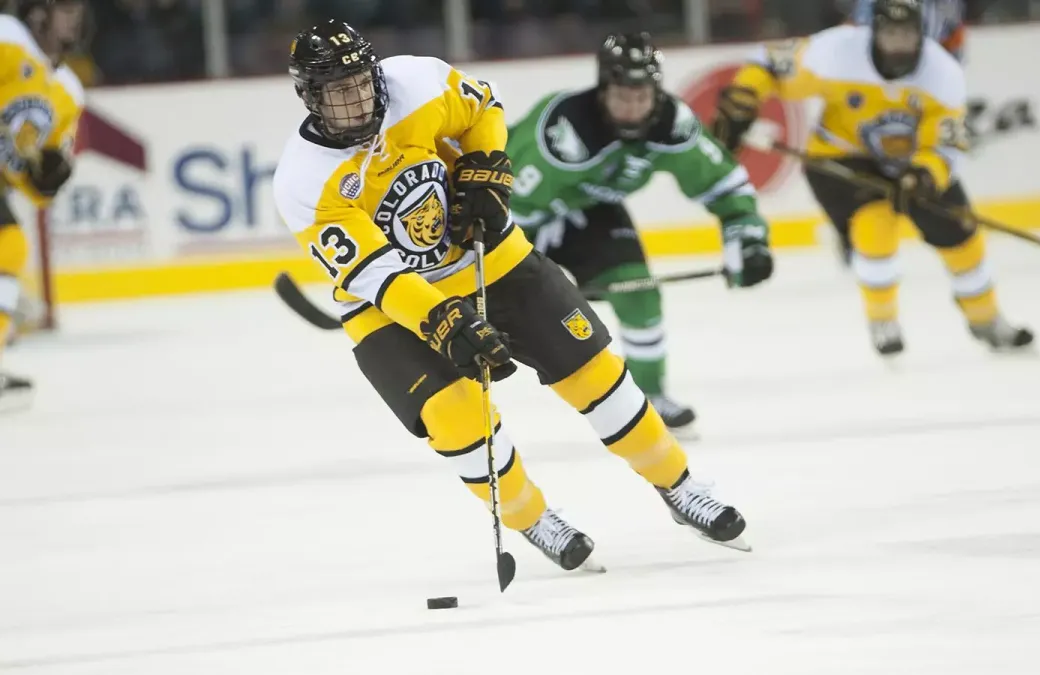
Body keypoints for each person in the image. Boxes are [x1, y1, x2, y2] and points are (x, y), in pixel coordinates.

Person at [272, 20, 751, 572]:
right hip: (394, 306)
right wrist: (443, 322)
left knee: (596, 372)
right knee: (456, 419)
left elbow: (483, 110)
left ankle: (681, 486)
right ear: (309, 97)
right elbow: (379, 278)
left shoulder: (418, 83)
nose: (355, 99)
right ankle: (533, 518)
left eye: (359, 82)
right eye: (337, 91)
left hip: (493, 257)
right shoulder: (304, 181)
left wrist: (485, 166)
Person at [710, 0, 1032, 355]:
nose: (898, 44)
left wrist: (924, 176)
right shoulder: (837, 50)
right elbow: (767, 61)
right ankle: (883, 320)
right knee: (874, 226)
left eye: (906, 34)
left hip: (914, 162)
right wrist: (745, 96)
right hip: (841, 157)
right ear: (873, 32)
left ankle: (986, 320)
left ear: (921, 35)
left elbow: (945, 144)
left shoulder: (942, 73)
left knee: (963, 241)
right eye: (890, 34)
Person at [506, 32, 774, 435]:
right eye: (622, 96)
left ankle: (650, 397)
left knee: (638, 290)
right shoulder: (566, 132)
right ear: (603, 91)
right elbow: (504, 204)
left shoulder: (672, 124)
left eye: (642, 96)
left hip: (586, 211)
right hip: (514, 214)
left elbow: (724, 185)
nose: (633, 108)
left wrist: (748, 238)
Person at [0, 0, 86, 410]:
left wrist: (48, 177)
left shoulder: (68, 90)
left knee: (10, 248)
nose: (75, 21)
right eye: (65, 11)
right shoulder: (7, 38)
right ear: (37, 15)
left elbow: (36, 185)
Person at [851, 0, 966, 61]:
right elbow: (858, 37)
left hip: (926, 82)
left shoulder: (946, 4)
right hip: (874, 79)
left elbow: (953, 41)